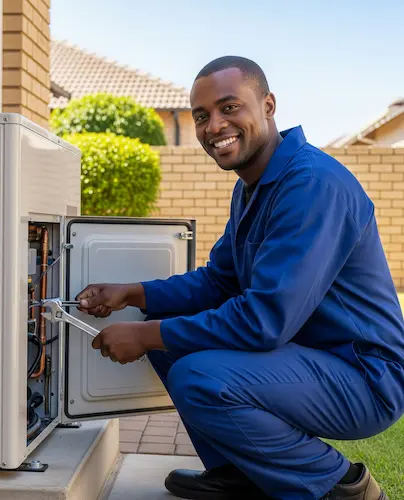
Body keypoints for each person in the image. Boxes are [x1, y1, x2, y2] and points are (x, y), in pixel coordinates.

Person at [75, 56, 404, 500]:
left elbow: (264, 320)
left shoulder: (311, 185)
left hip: (364, 376)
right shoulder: (253, 185)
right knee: (171, 344)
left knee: (197, 374)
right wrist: (134, 294)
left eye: (229, 108)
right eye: (202, 116)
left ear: (267, 105)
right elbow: (219, 283)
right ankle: (241, 473)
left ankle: (341, 486)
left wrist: (145, 333)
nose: (214, 125)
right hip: (310, 357)